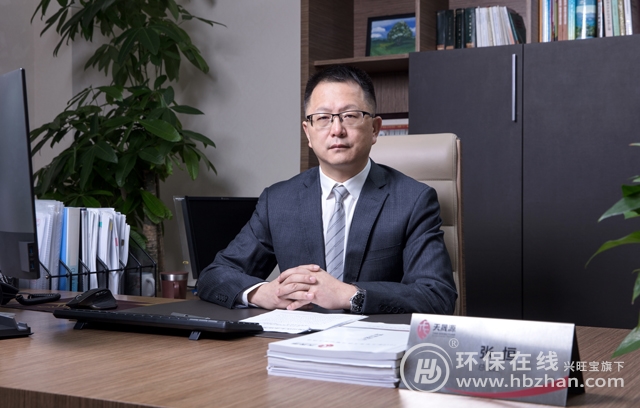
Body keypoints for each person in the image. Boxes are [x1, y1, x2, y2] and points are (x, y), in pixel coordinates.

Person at [198, 65, 457, 314]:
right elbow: (214, 275)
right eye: (322, 118)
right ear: (308, 133)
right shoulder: (277, 201)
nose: (337, 130)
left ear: (375, 129)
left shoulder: (413, 200)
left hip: (373, 340)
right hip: (293, 339)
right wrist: (262, 293)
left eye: (350, 116)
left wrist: (349, 295)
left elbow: (437, 296)